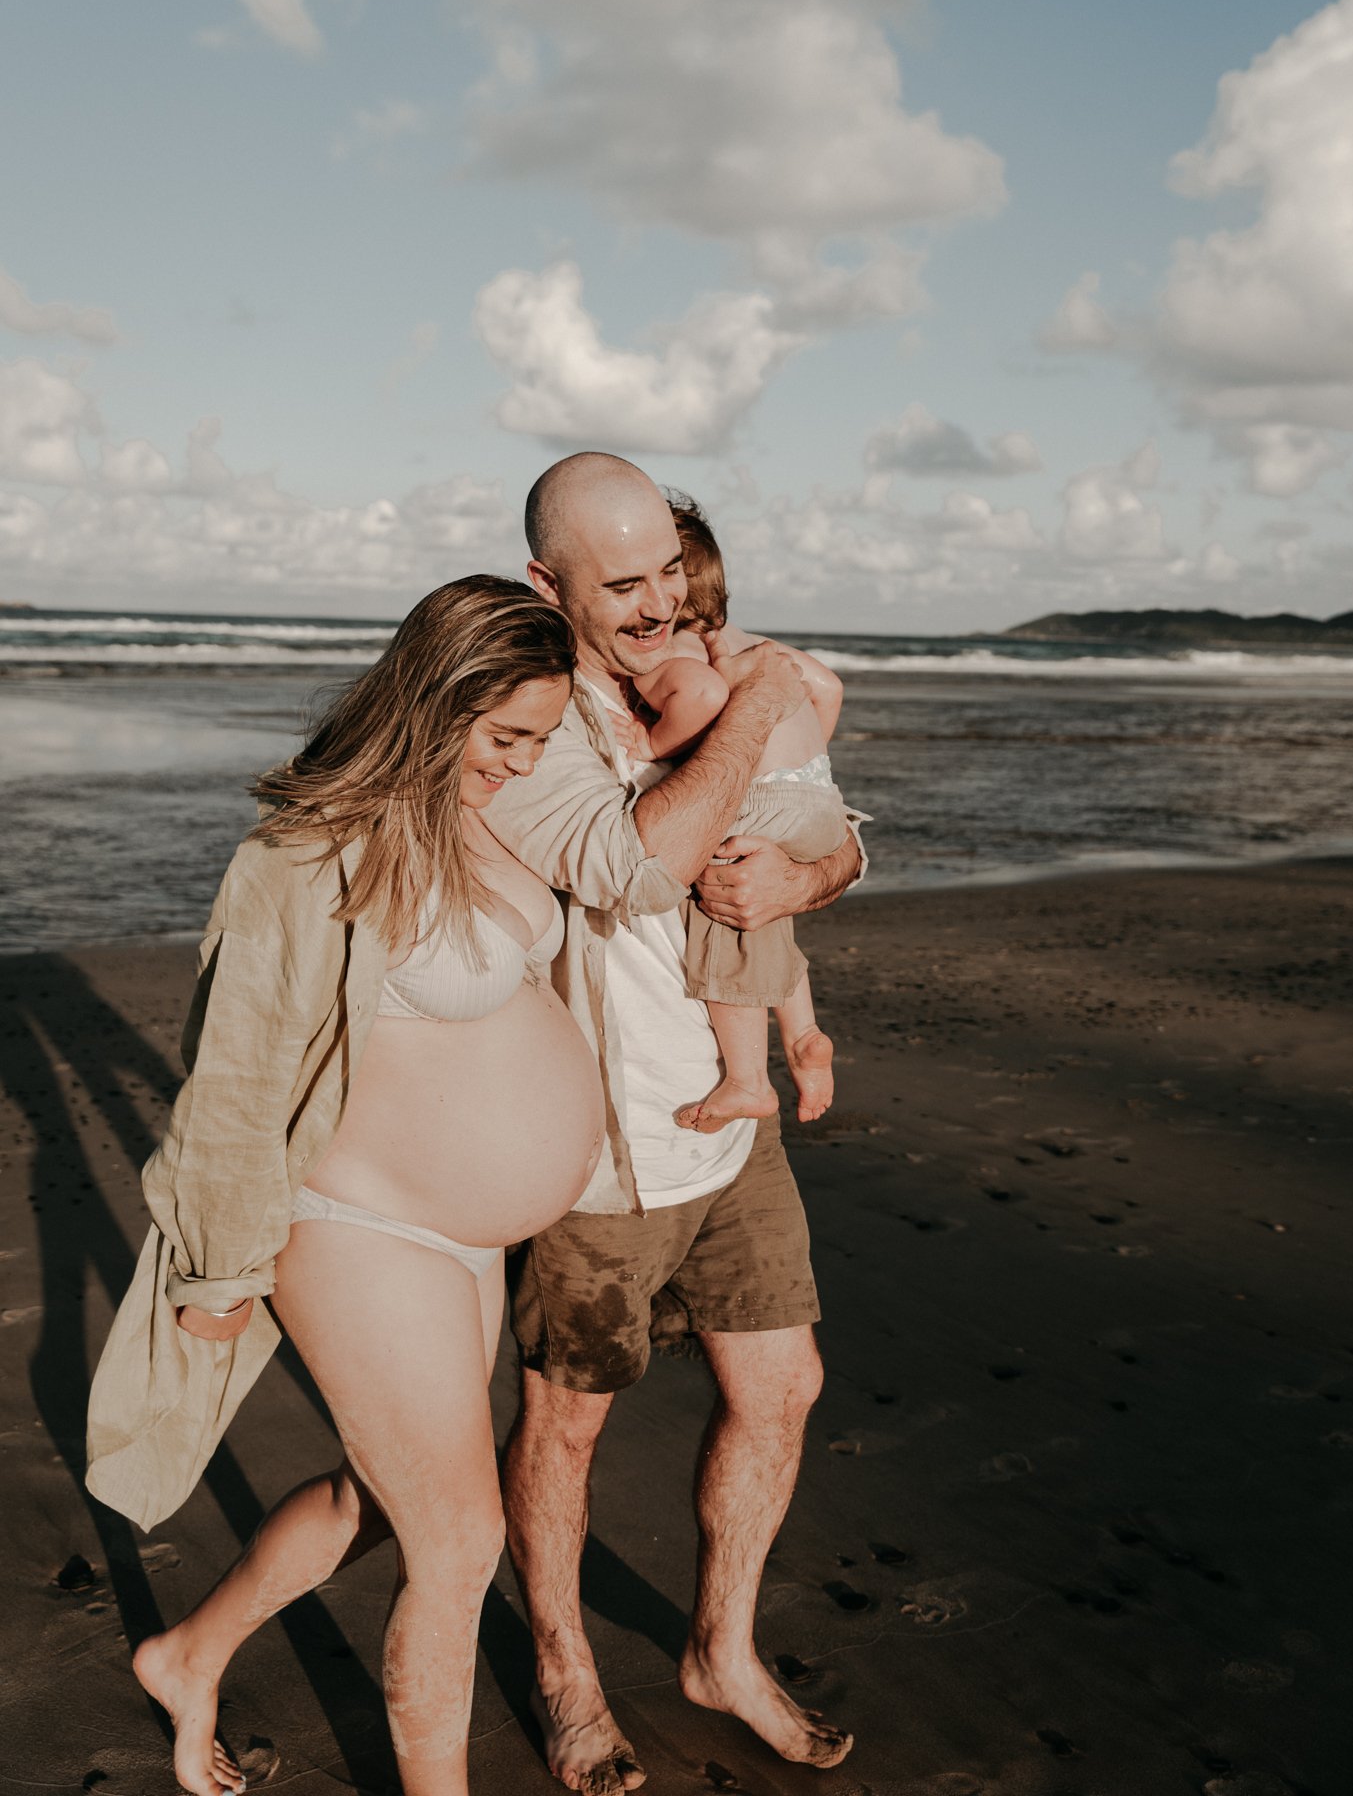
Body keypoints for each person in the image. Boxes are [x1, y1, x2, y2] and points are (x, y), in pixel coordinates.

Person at [85, 576, 604, 1796]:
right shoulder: (306, 850)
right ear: (438, 700)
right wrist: (216, 1271)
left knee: (383, 1492)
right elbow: (234, 1074)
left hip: (460, 1237)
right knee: (461, 1536)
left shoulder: (484, 810)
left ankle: (188, 1649)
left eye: (542, 736)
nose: (525, 763)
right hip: (359, 1220)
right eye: (508, 735)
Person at [487, 452, 866, 1792]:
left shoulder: (715, 662)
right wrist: (758, 695)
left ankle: (720, 1652)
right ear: (550, 586)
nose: (654, 607)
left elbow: (826, 829)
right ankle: (564, 1676)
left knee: (784, 1391)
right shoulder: (522, 714)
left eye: (665, 573)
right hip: (597, 1154)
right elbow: (635, 861)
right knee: (565, 1427)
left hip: (733, 1136)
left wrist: (805, 876)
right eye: (619, 585)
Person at [631, 492, 846, 1133]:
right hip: (821, 796)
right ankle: (803, 1032)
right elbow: (830, 688)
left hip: (771, 795)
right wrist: (810, 770)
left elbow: (697, 697)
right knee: (765, 906)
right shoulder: (759, 646)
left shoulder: (682, 653)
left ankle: (750, 1078)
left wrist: (648, 745)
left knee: (722, 900)